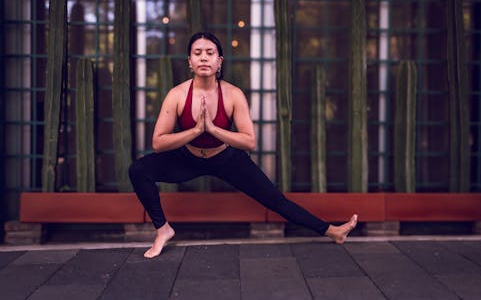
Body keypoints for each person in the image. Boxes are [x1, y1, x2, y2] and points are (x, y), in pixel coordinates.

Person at [128, 31, 358, 258]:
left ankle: (333, 231)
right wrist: (196, 130)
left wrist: (213, 129)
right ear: (190, 61)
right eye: (197, 53)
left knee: (276, 200)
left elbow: (249, 141)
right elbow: (158, 142)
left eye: (210, 53)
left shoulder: (233, 95)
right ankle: (163, 230)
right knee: (138, 170)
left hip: (226, 159)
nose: (204, 57)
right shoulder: (177, 95)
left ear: (219, 61)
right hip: (188, 158)